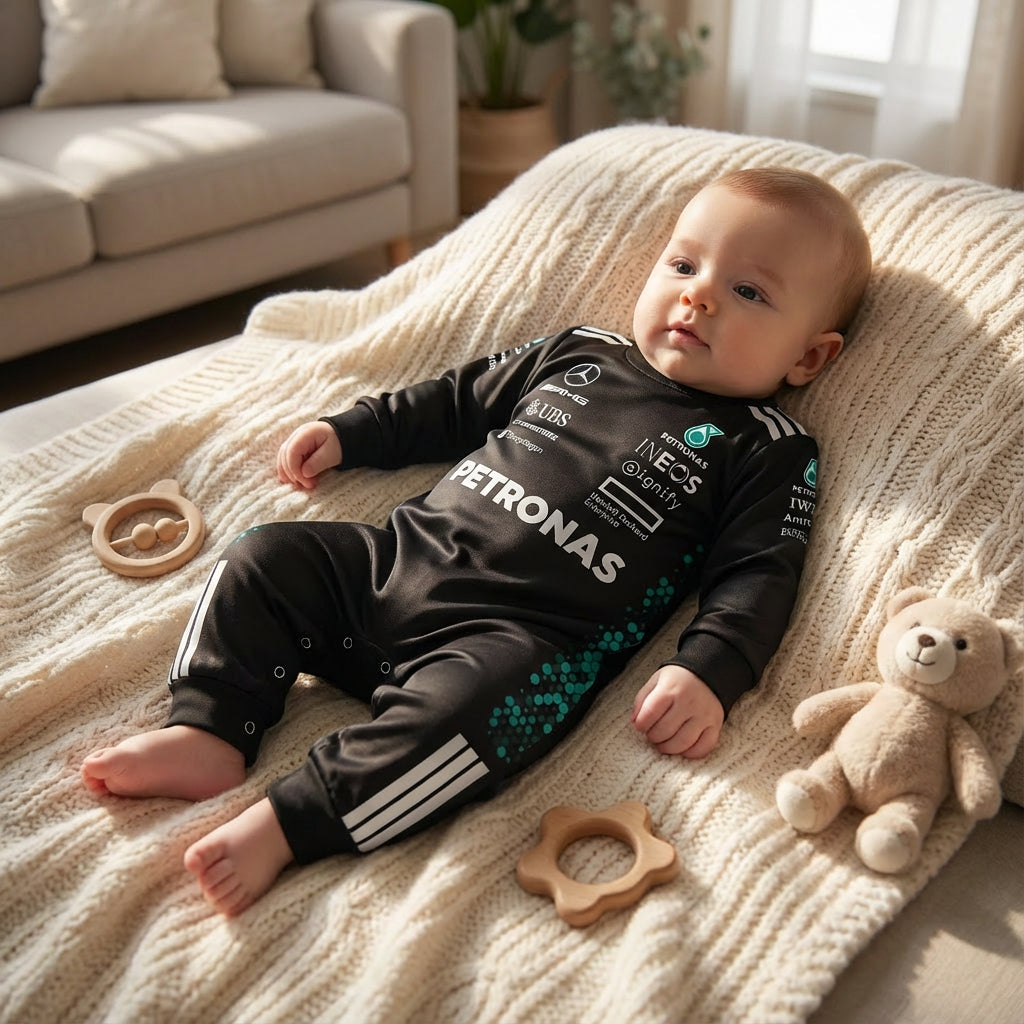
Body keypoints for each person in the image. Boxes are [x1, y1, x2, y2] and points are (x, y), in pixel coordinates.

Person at [81, 167, 872, 917]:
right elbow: (456, 403)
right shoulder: (581, 354)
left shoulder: (767, 446)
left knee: (481, 717)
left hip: (514, 642)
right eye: (683, 263)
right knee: (267, 554)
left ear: (809, 356)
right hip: (393, 565)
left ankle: (294, 822)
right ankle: (211, 725)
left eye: (747, 291)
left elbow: (761, 574)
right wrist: (353, 433)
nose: (698, 297)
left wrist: (710, 670)